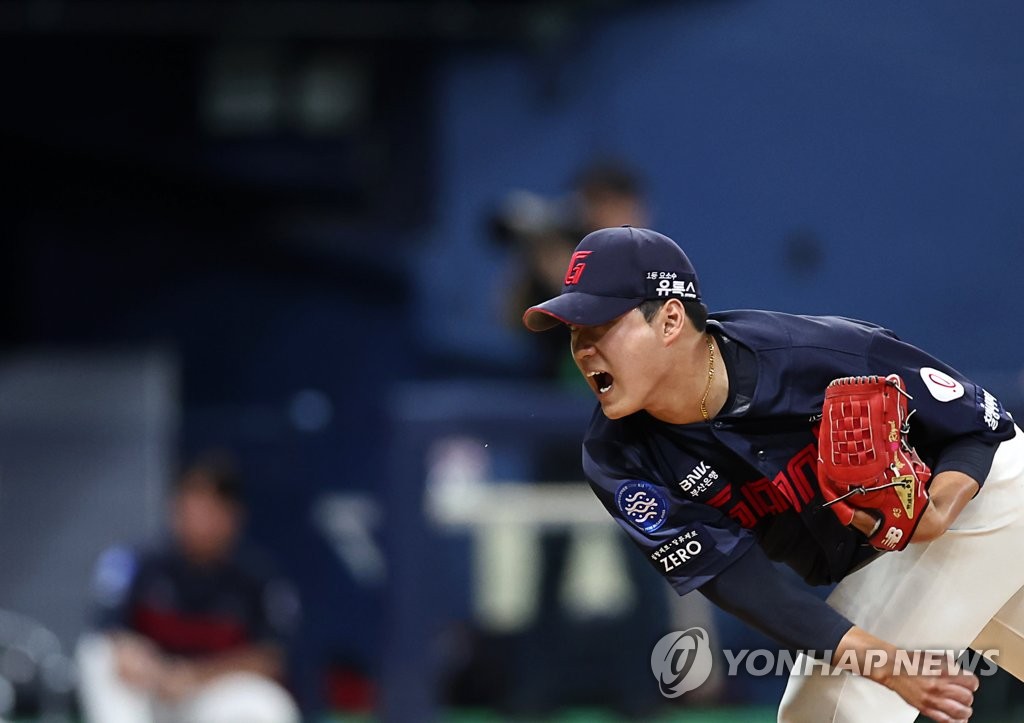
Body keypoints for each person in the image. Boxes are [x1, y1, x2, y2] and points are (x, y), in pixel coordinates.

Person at [521, 225, 1024, 722]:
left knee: (830, 710)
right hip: (885, 554)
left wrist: (938, 511)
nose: (584, 348)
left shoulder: (814, 355)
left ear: (670, 320)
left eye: (601, 326)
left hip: (986, 498)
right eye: (575, 332)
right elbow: (743, 585)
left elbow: (983, 423)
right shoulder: (618, 457)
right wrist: (889, 666)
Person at [76, 455, 301, 723]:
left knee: (268, 706)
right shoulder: (138, 563)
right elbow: (109, 631)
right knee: (97, 655)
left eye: (209, 509)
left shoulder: (257, 578)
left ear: (232, 515)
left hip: (209, 696)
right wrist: (144, 662)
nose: (196, 519)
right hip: (149, 693)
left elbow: (270, 658)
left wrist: (193, 676)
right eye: (189, 506)